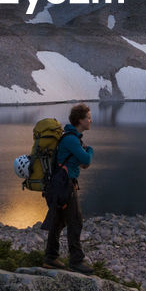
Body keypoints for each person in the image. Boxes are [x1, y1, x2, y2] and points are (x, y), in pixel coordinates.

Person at [44, 102, 94, 273]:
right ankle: (76, 261)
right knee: (75, 221)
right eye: (88, 117)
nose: (91, 120)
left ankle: (50, 257)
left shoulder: (72, 138)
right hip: (65, 186)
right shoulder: (72, 140)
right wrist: (91, 151)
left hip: (59, 185)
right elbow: (86, 161)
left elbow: (82, 164)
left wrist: (84, 153)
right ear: (80, 120)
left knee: (58, 221)